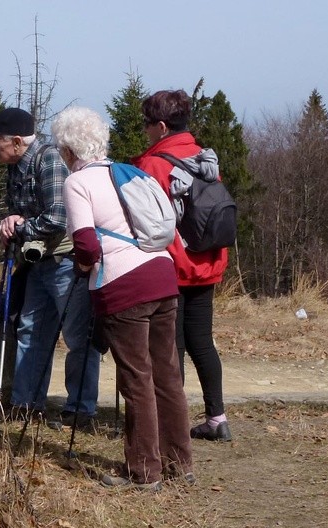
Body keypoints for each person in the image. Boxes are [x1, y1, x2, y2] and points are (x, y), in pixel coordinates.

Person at [54, 106, 194, 490]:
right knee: (167, 374)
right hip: (163, 275)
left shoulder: (78, 183)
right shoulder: (128, 171)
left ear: (68, 150)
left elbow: (84, 242)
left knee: (136, 380)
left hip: (124, 285)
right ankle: (179, 465)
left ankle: (144, 474)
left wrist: (84, 268)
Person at [0, 107, 99, 427]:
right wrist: (12, 228)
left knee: (77, 338)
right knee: (31, 332)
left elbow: (59, 217)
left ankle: (81, 409)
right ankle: (26, 404)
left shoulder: (47, 159)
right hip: (38, 263)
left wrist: (20, 228)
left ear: (17, 141)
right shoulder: (16, 166)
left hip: (66, 263)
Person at [132, 90, 232, 442]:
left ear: (161, 126)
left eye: (147, 124)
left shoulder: (153, 165)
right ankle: (217, 418)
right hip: (208, 261)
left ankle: (168, 426)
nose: (144, 130)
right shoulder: (204, 157)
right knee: (202, 342)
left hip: (173, 266)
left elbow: (143, 221)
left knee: (168, 348)